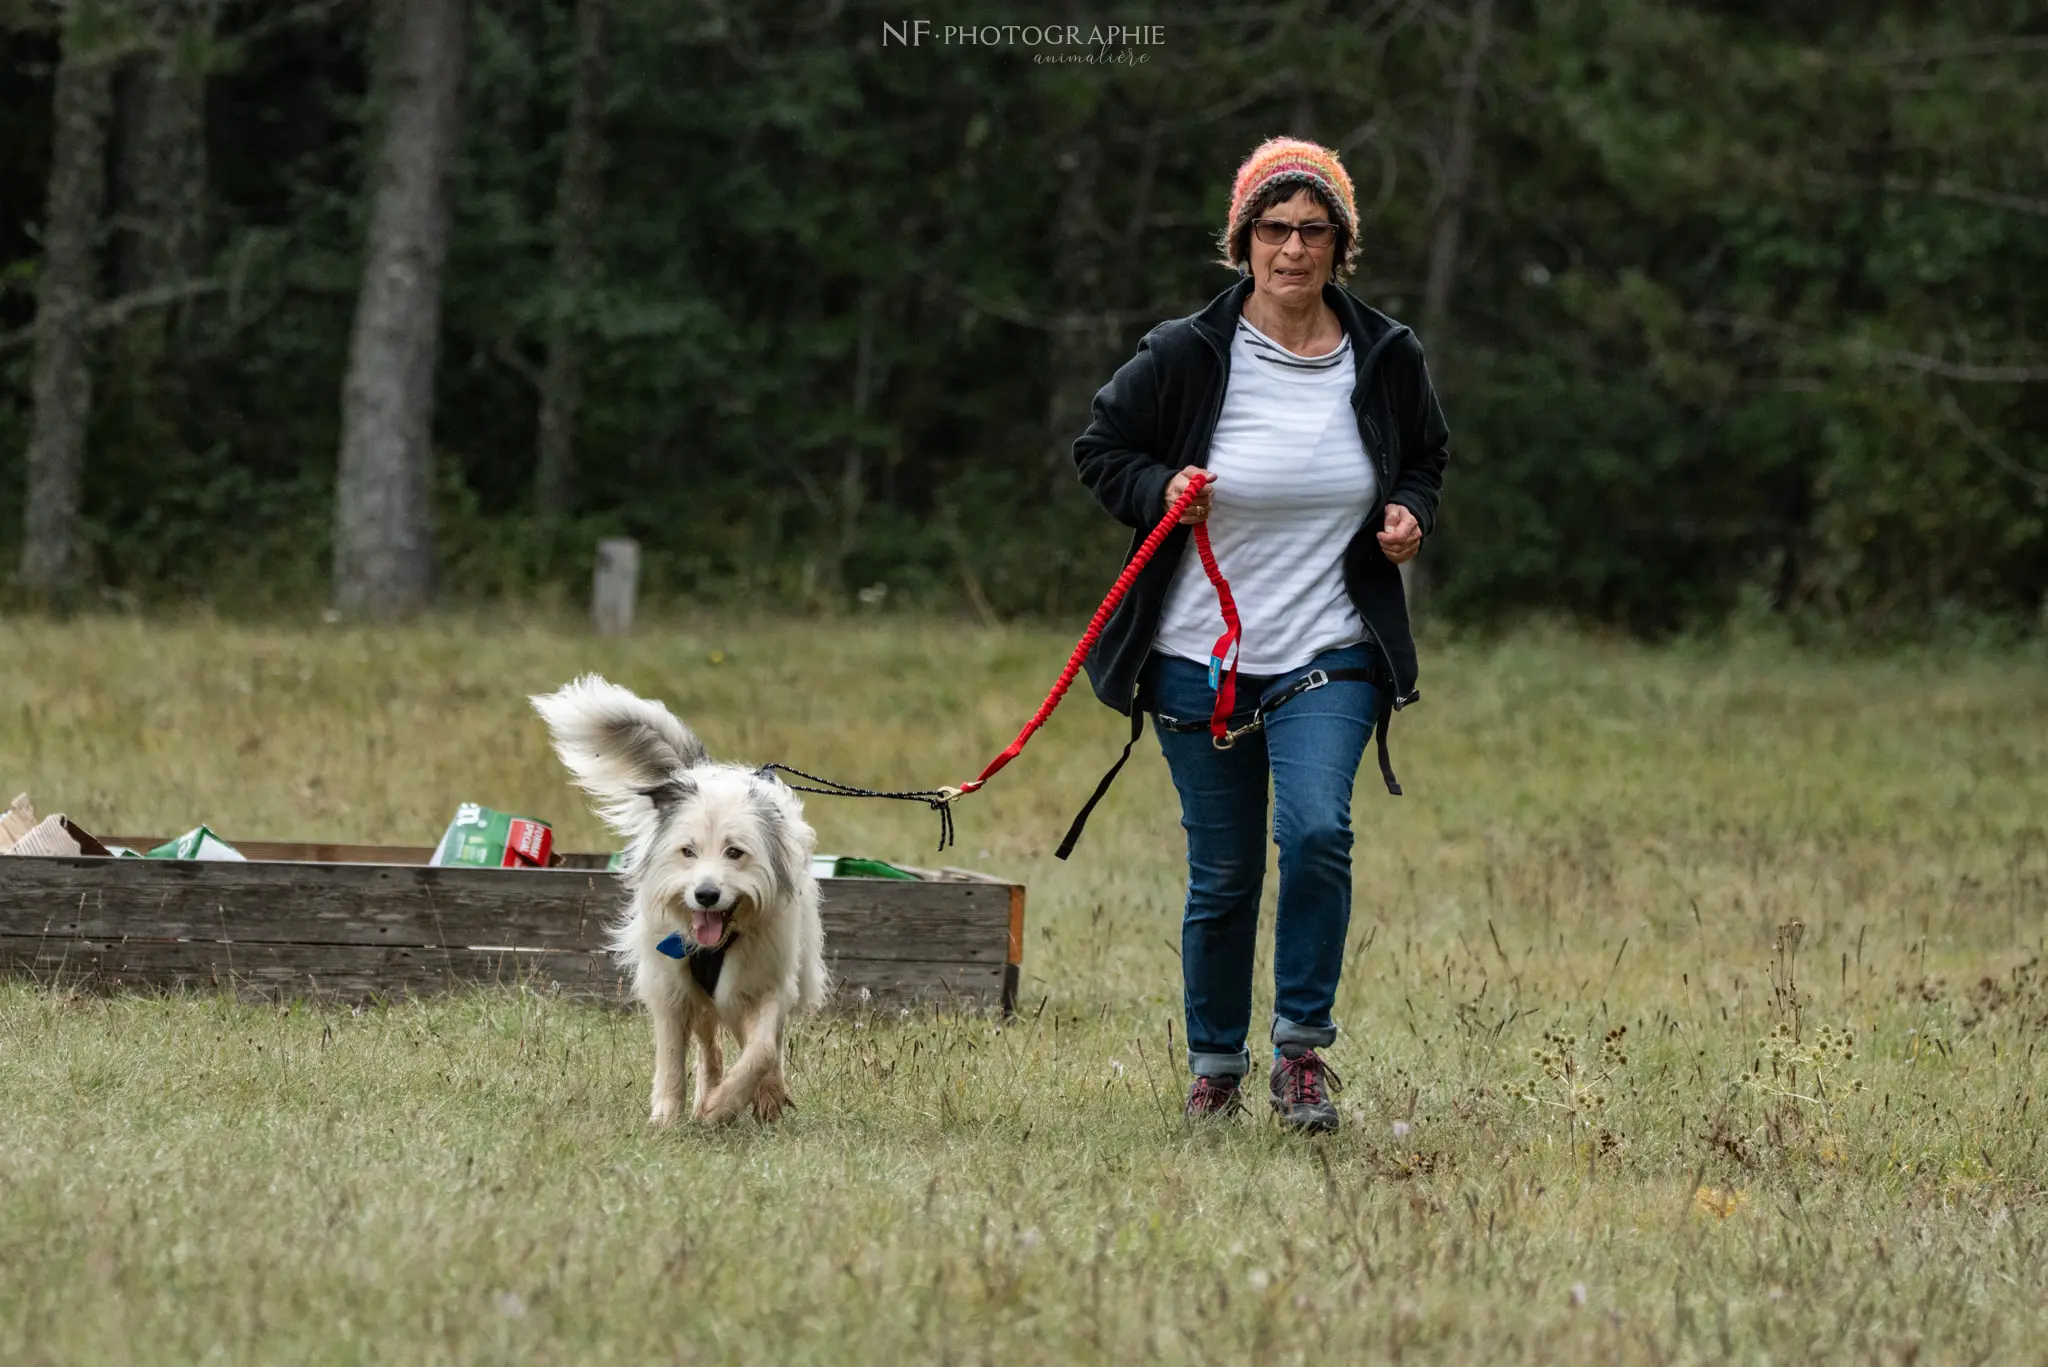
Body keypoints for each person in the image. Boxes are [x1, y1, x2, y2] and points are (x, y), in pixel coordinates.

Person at [1069, 137, 1449, 1133]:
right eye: (1272, 229)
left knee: (1317, 830)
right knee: (1225, 871)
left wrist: (1409, 509)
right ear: (1242, 241)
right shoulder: (1184, 352)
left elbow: (1425, 453)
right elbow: (1101, 449)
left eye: (1311, 230)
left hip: (1332, 647)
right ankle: (1213, 1066)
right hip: (1200, 655)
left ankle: (1301, 1054)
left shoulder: (1385, 352)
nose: (1291, 248)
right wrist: (1162, 488)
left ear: (1338, 244)